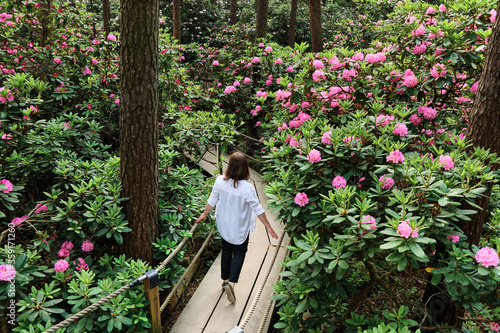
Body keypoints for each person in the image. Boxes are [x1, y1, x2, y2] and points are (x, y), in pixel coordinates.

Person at [195, 152, 278, 303]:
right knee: (239, 253)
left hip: (224, 226)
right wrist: (269, 227)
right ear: (246, 169)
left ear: (229, 167)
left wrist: (203, 214)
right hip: (239, 228)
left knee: (226, 251)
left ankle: (225, 280)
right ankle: (231, 284)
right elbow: (258, 209)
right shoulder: (247, 188)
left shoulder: (220, 181)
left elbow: (212, 200)